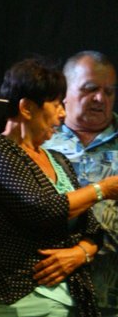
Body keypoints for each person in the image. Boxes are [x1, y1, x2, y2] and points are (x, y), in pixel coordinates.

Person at [0, 57, 118, 317]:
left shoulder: (57, 159)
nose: (62, 113)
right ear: (26, 108)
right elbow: (42, 209)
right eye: (56, 105)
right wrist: (102, 189)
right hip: (21, 298)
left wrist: (80, 252)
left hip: (71, 299)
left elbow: (92, 228)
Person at [43, 51, 118, 316]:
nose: (100, 98)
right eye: (90, 89)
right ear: (64, 91)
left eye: (109, 92)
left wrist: (84, 251)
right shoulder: (39, 139)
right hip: (47, 293)